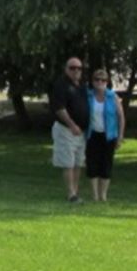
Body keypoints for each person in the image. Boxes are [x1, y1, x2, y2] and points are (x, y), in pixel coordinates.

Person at [49, 57, 89, 203]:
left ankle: (76, 191)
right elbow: (59, 109)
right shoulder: (61, 85)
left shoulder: (81, 86)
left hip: (81, 132)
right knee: (68, 162)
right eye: (72, 68)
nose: (76, 71)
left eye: (79, 68)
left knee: (78, 162)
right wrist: (72, 125)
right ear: (66, 69)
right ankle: (71, 194)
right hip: (66, 130)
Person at [85, 69, 126, 201]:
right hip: (92, 135)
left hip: (109, 136)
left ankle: (103, 195)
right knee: (92, 164)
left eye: (103, 80)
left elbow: (121, 117)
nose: (100, 82)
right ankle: (95, 195)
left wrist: (120, 136)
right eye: (97, 79)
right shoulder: (88, 96)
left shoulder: (112, 97)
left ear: (107, 82)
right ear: (92, 81)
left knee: (106, 164)